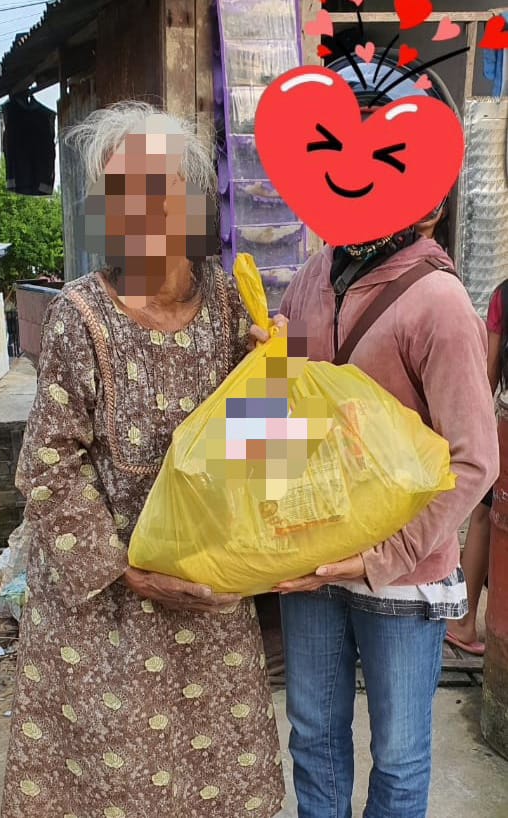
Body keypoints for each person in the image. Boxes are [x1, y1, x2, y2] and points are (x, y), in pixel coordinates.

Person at [1, 102, 285, 818]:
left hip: (207, 609)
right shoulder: (78, 316)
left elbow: (264, 459)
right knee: (106, 791)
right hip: (106, 613)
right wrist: (130, 570)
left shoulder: (233, 305)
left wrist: (273, 372)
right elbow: (49, 468)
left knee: (218, 788)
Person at [251, 54, 499, 818]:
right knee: (313, 736)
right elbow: (280, 410)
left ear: (431, 194)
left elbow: (475, 461)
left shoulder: (439, 303)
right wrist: (261, 385)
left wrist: (380, 556)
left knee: (399, 753)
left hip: (403, 574)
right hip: (313, 562)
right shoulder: (309, 279)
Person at [445, 278, 508, 654]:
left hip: (504, 424)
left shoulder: (503, 294)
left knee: (484, 514)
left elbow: (489, 373)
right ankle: (465, 621)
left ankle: (464, 621)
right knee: (485, 515)